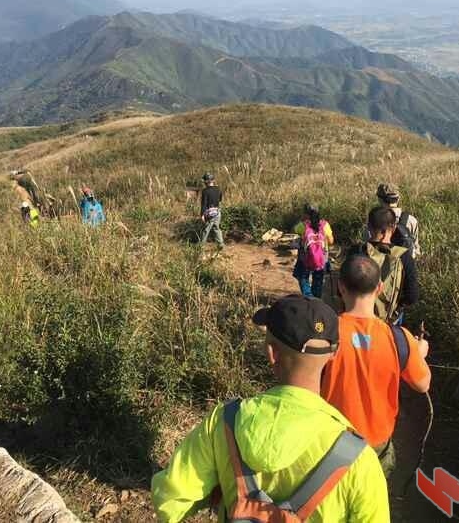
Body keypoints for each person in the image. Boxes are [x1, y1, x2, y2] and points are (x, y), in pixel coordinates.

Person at [152, 295, 390, 522]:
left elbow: (170, 502)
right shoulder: (359, 458)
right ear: (334, 354)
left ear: (271, 352)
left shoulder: (224, 422)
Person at [321, 254, 431, 477]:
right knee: (372, 508)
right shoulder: (400, 338)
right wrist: (420, 353)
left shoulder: (325, 334)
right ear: (380, 288)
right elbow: (423, 384)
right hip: (376, 448)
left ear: (340, 287)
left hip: (331, 444)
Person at [350, 206, 419, 322]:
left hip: (358, 317)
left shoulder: (356, 251)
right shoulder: (404, 256)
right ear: (394, 228)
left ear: (369, 227)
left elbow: (343, 287)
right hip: (389, 320)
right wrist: (396, 306)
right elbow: (412, 296)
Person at [292, 205, 334, 299]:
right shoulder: (325, 225)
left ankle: (308, 297)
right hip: (321, 259)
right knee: (318, 280)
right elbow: (331, 241)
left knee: (303, 277)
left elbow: (295, 229)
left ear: (306, 214)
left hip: (305, 259)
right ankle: (316, 299)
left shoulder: (302, 225)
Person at [370, 183, 421, 259]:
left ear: (380, 199)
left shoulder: (375, 219)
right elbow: (416, 250)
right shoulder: (412, 220)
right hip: (406, 266)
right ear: (398, 199)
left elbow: (368, 247)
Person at [199, 173, 224, 249]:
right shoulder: (218, 189)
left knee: (205, 230)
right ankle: (220, 245)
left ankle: (201, 247)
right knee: (217, 229)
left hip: (209, 213)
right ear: (213, 180)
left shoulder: (205, 191)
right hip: (217, 212)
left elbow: (204, 204)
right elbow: (220, 199)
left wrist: (202, 215)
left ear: (206, 182)